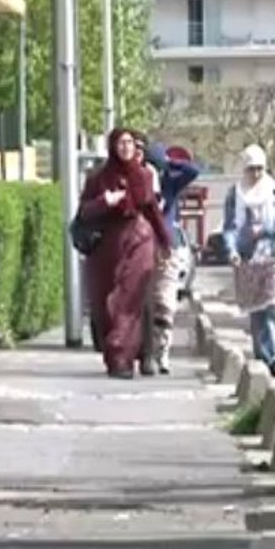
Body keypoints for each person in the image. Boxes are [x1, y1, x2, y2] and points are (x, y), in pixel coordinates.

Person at [78, 127, 172, 379]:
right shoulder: (98, 178)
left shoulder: (143, 175)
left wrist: (165, 242)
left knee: (129, 299)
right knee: (108, 302)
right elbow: (84, 212)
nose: (126, 147)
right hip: (108, 247)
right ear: (112, 147)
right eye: (121, 143)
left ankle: (124, 356)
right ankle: (118, 357)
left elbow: (152, 210)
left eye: (130, 142)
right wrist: (105, 202)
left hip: (139, 240)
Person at [222, 144, 275, 378]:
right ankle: (263, 358)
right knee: (257, 313)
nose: (255, 174)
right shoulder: (235, 193)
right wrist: (231, 250)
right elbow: (230, 227)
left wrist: (265, 231)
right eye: (250, 168)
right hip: (248, 260)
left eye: (259, 168)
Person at [140, 140, 201, 374]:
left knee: (165, 303)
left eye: (156, 168)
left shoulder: (170, 185)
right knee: (144, 303)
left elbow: (193, 171)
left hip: (168, 248)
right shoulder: (138, 184)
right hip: (142, 248)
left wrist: (168, 162)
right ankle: (145, 351)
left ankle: (162, 351)